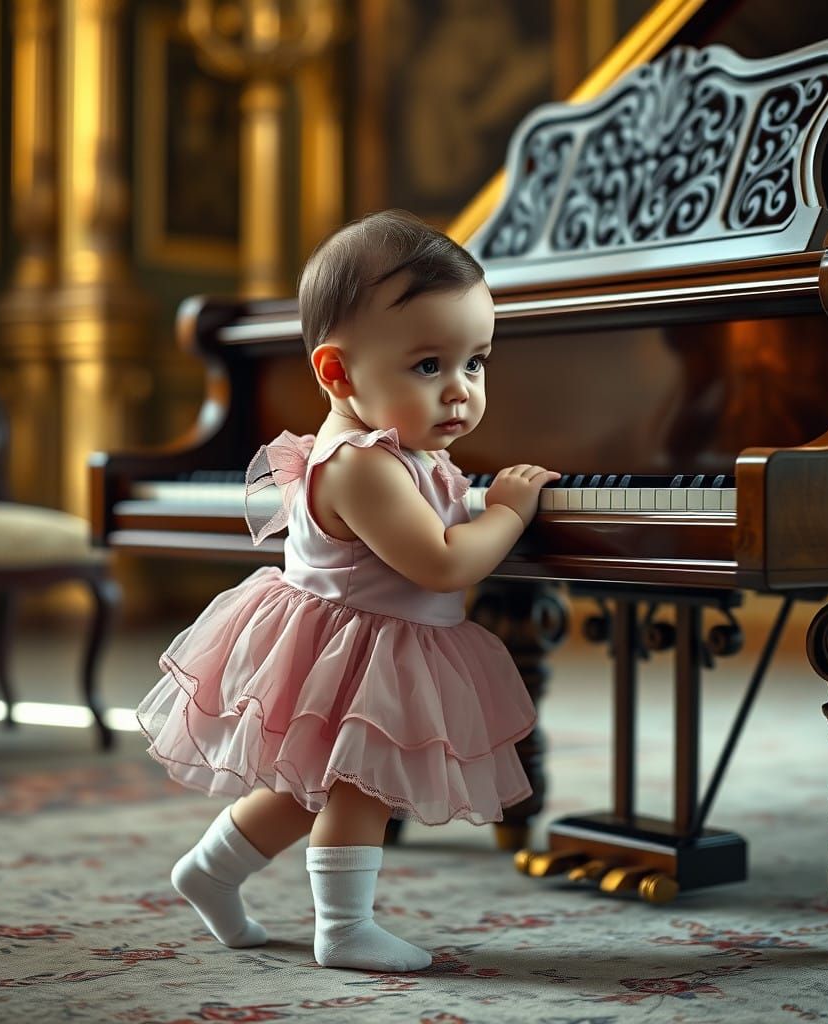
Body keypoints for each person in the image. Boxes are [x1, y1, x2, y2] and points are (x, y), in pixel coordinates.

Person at [136, 209, 560, 972]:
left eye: (477, 362)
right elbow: (442, 564)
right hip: (358, 649)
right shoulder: (362, 465)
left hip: (361, 641)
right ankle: (344, 928)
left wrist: (468, 501)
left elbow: (425, 523)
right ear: (337, 373)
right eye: (430, 366)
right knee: (360, 789)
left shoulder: (404, 449)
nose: (461, 391)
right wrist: (504, 512)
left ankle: (210, 870)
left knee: (303, 792)